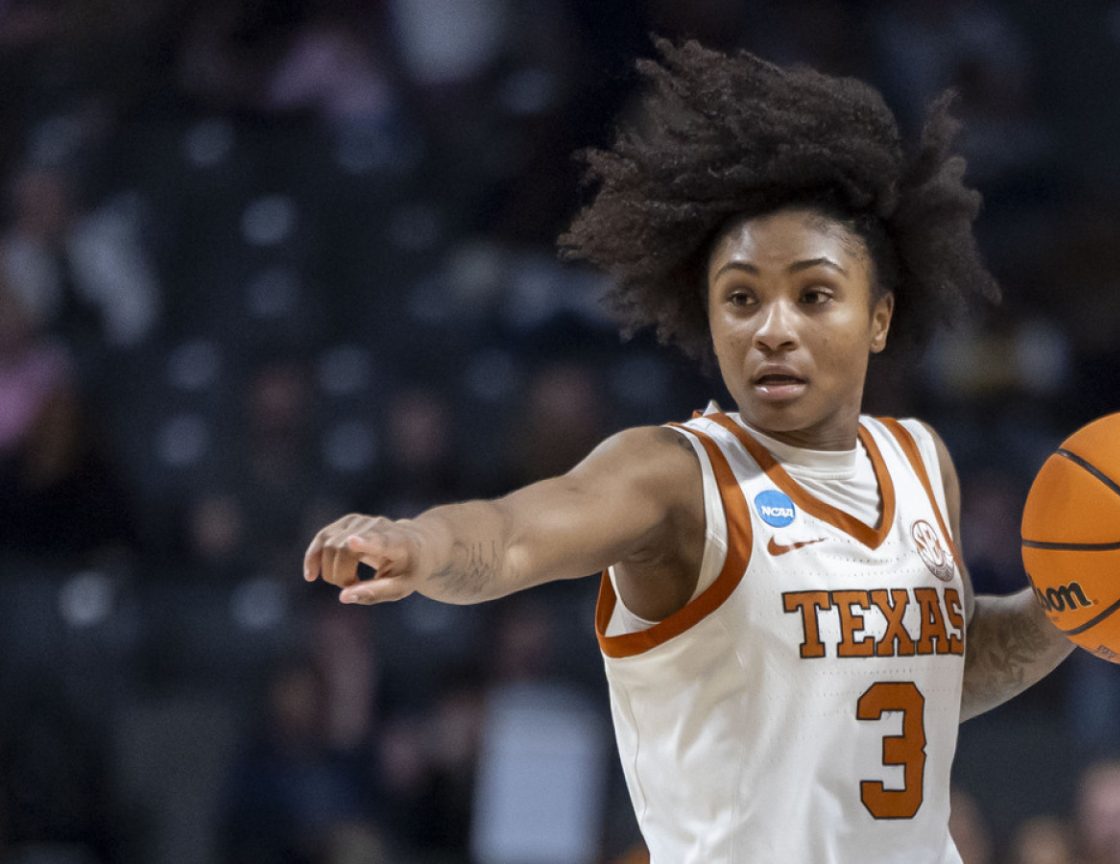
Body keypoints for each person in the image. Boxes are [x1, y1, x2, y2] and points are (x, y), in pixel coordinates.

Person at [303, 38, 1075, 860]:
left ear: (879, 317)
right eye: (741, 299)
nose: (773, 329)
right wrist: (420, 542)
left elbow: (934, 677)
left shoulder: (921, 461)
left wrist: (1074, 606)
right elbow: (516, 531)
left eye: (814, 295)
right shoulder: (673, 476)